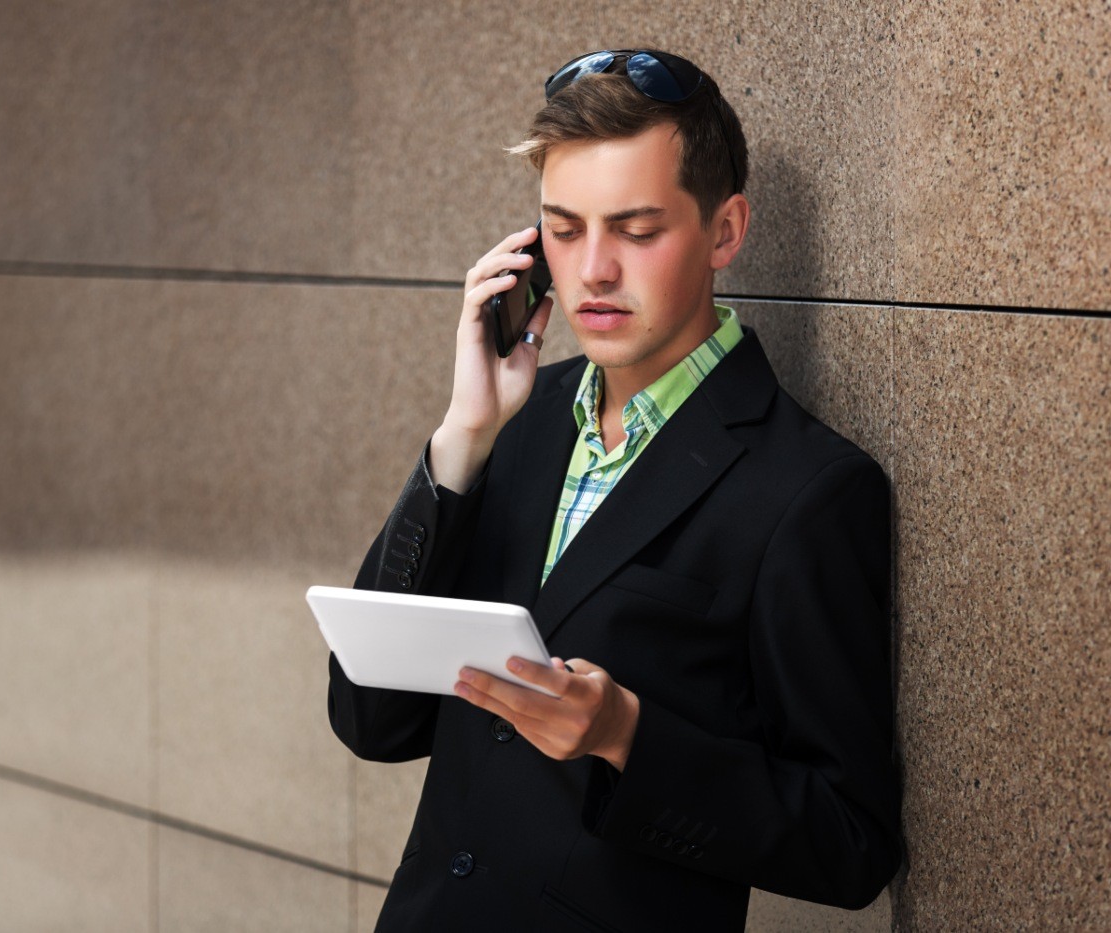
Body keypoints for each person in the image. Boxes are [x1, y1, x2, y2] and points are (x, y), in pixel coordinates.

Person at [328, 49, 900, 931]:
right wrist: (460, 442)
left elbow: (849, 840)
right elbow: (370, 719)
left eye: (636, 230)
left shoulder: (808, 489)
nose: (593, 269)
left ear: (725, 230)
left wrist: (625, 736)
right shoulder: (512, 429)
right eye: (563, 228)